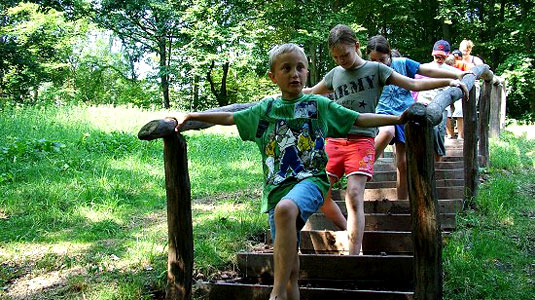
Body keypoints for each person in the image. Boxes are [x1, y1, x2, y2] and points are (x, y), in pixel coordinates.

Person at [171, 43, 408, 300]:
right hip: (276, 189)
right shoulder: (266, 110)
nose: (295, 73)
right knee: (290, 269)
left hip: (311, 180)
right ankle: (284, 291)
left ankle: (275, 294)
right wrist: (191, 115)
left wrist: (396, 119)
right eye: (286, 68)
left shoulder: (318, 105)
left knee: (286, 212)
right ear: (273, 76)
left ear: (307, 72)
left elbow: (358, 119)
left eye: (300, 68)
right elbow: (230, 118)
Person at [303, 25, 467, 256]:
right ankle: (349, 230)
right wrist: (279, 96)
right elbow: (310, 92)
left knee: (354, 194)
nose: (341, 60)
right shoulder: (334, 74)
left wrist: (450, 80)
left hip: (361, 141)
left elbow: (414, 83)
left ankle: (354, 255)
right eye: (336, 56)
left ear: (357, 47)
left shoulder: (376, 69)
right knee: (319, 193)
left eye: (345, 54)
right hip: (334, 141)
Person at [367, 37, 469, 199]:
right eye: (374, 60)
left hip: (405, 113)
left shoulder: (402, 63)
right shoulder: (368, 69)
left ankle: (402, 201)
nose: (379, 63)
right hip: (384, 112)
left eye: (382, 59)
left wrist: (457, 75)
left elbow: (427, 71)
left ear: (389, 56)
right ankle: (363, 167)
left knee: (403, 162)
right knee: (386, 132)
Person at [414, 40, 469, 161]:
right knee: (422, 133)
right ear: (432, 53)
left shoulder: (451, 70)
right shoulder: (424, 68)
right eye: (436, 56)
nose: (439, 58)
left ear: (447, 55)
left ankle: (437, 161)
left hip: (440, 107)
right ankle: (424, 159)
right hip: (423, 105)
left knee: (438, 133)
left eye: (442, 56)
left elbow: (464, 77)